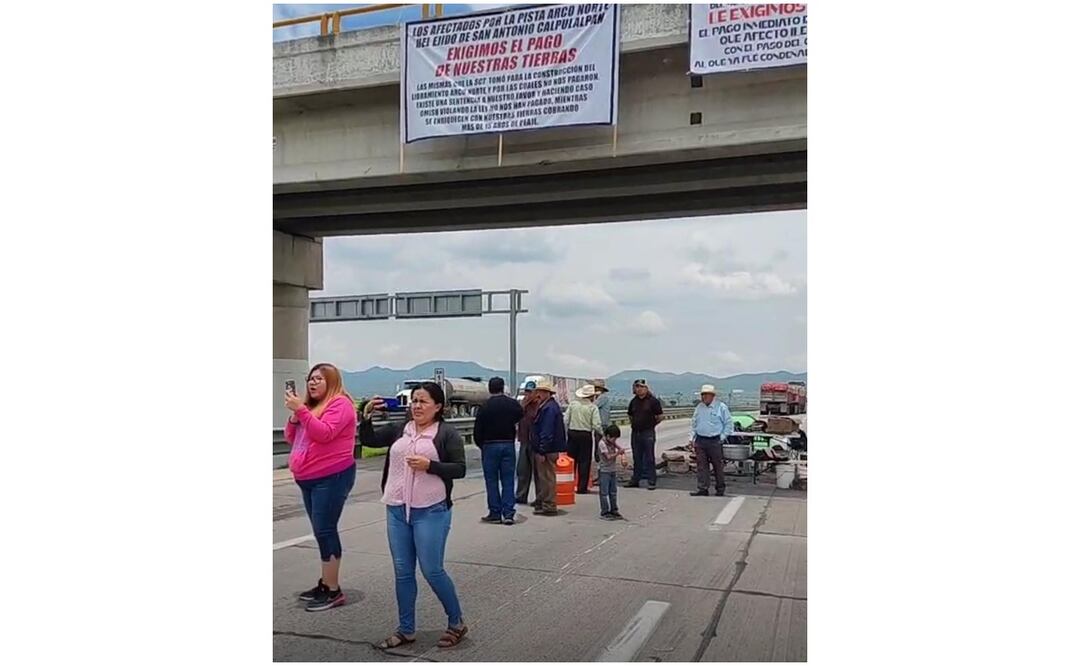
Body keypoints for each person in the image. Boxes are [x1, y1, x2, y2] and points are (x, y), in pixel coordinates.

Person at [358, 383, 469, 650]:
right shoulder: (400, 429)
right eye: (414, 401)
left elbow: (460, 469)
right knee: (402, 572)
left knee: (432, 570)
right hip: (396, 509)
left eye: (423, 401)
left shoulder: (446, 434)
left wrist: (430, 466)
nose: (417, 406)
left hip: (431, 510)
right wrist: (365, 416)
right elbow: (371, 440)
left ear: (438, 407)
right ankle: (406, 629)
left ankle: (456, 623)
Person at [284, 363, 358, 612]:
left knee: (325, 530)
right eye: (310, 379)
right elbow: (291, 437)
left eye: (318, 379)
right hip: (307, 477)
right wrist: (295, 416)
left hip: (332, 476)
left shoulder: (341, 404)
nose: (312, 383)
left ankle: (333, 590)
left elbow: (324, 434)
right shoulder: (312, 406)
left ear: (332, 381)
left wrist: (302, 412)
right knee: (319, 530)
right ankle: (325, 582)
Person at [473, 376, 523, 525]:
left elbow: (477, 431)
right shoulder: (512, 404)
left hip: (489, 445)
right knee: (508, 480)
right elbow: (521, 414)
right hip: (507, 444)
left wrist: (482, 445)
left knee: (491, 481)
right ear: (503, 388)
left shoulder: (484, 406)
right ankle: (508, 513)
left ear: (489, 389)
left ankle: (495, 513)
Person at [688, 384, 734, 497]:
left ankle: (720, 489)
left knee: (717, 466)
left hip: (714, 440)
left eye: (706, 395)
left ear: (712, 396)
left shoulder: (721, 407)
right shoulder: (699, 407)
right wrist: (691, 438)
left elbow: (728, 424)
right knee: (701, 466)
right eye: (702, 395)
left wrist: (721, 437)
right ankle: (703, 488)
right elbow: (694, 424)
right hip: (700, 440)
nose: (704, 397)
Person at [530, 378, 567, 516]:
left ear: (546, 393)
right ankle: (545, 502)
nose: (538, 394)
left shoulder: (548, 409)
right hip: (548, 448)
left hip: (547, 450)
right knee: (545, 477)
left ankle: (549, 504)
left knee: (547, 478)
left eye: (540, 391)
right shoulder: (547, 406)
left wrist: (541, 450)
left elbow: (546, 431)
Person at [626, 379, 663, 490]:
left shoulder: (653, 401)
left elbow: (660, 416)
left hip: (648, 432)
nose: (639, 389)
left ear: (646, 388)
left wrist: (651, 425)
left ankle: (651, 481)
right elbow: (630, 415)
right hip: (636, 432)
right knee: (637, 457)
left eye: (642, 386)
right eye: (637, 387)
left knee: (649, 457)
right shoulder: (633, 401)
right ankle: (635, 480)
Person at [565, 384, 603, 494]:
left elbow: (566, 419)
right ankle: (582, 487)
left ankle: (569, 484)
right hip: (585, 434)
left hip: (572, 433)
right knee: (584, 461)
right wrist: (602, 434)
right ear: (592, 396)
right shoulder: (592, 407)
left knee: (572, 460)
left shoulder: (573, 405)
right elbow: (596, 424)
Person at [515, 381, 542, 508]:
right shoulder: (523, 404)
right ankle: (521, 495)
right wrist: (523, 405)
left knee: (537, 472)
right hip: (524, 440)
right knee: (522, 470)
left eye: (530, 392)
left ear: (536, 393)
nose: (527, 394)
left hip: (535, 441)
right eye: (526, 391)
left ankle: (539, 497)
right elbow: (517, 417)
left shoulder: (539, 405)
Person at [596, 424, 627, 520]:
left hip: (612, 470)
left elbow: (618, 447)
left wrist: (620, 450)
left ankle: (614, 510)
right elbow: (608, 457)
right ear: (608, 436)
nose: (615, 441)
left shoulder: (611, 442)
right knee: (604, 493)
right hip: (604, 470)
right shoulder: (602, 444)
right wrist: (618, 453)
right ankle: (605, 512)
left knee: (613, 491)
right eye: (614, 438)